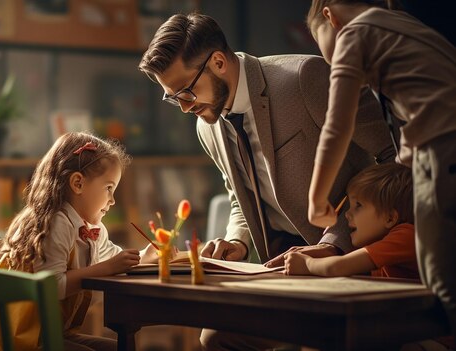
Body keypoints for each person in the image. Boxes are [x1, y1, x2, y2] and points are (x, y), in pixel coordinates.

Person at [138, 12, 395, 350]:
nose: (185, 108)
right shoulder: (207, 126)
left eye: (186, 92)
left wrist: (334, 243)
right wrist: (238, 241)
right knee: (216, 338)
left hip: (353, 259)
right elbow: (239, 197)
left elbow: (392, 159)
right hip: (280, 268)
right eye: (173, 98)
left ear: (217, 62)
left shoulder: (305, 77)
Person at [304, 0, 456, 343]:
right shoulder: (403, 26)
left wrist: (316, 198)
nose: (329, 59)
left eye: (320, 42)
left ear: (330, 16)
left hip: (443, 152)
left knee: (442, 286)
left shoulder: (354, 33)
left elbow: (338, 125)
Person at [0, 132, 156, 351]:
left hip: (47, 336)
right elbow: (52, 286)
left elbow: (115, 259)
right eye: (109, 188)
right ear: (78, 183)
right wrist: (107, 267)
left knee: (119, 348)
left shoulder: (91, 229)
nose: (113, 200)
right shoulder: (56, 223)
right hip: (18, 342)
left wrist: (147, 255)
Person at [285, 163, 417, 279]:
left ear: (390, 217)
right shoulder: (381, 242)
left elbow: (338, 267)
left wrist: (307, 264)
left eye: (358, 205)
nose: (347, 214)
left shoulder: (406, 236)